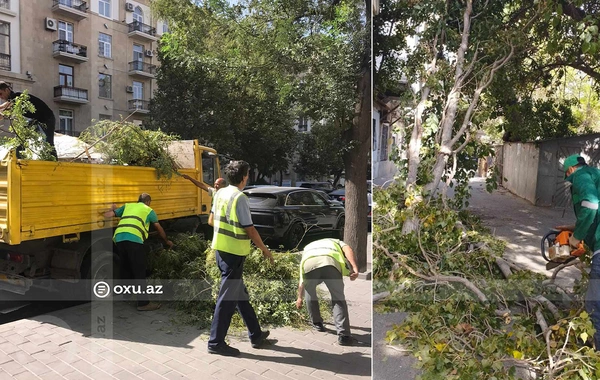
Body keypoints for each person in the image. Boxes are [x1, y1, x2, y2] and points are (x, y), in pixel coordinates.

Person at [207, 160, 274, 356]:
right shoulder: (239, 197)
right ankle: (215, 342)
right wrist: (264, 249)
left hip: (221, 250)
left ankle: (256, 334)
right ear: (244, 177)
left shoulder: (220, 193)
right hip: (234, 254)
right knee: (227, 299)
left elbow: (211, 221)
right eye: (248, 174)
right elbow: (250, 229)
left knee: (239, 294)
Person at [555, 154, 600, 349]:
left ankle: (597, 359)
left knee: (594, 307)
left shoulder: (581, 176)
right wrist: (573, 227)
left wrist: (575, 238)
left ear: (571, 170)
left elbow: (590, 205)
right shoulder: (595, 175)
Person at [104, 193, 173, 311]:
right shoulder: (149, 210)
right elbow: (159, 228)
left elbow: (107, 215)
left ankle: (126, 295)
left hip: (119, 239)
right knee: (139, 271)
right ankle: (143, 303)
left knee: (125, 267)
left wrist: (113, 209)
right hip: (134, 239)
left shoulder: (128, 206)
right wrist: (167, 241)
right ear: (148, 202)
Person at [295, 238, 359, 346]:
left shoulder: (308, 247)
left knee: (310, 292)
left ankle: (317, 324)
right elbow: (348, 249)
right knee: (338, 298)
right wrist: (355, 268)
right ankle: (344, 336)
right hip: (330, 264)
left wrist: (299, 297)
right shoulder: (336, 241)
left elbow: (302, 279)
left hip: (309, 264)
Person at [0, 81, 57, 158]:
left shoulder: (17, 96)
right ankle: (20, 161)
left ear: (6, 90)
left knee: (48, 142)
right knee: (20, 138)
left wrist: (2, 111)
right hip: (35, 120)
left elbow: (7, 106)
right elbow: (5, 109)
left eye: (0, 94)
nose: (0, 97)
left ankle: (53, 162)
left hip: (47, 119)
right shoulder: (13, 101)